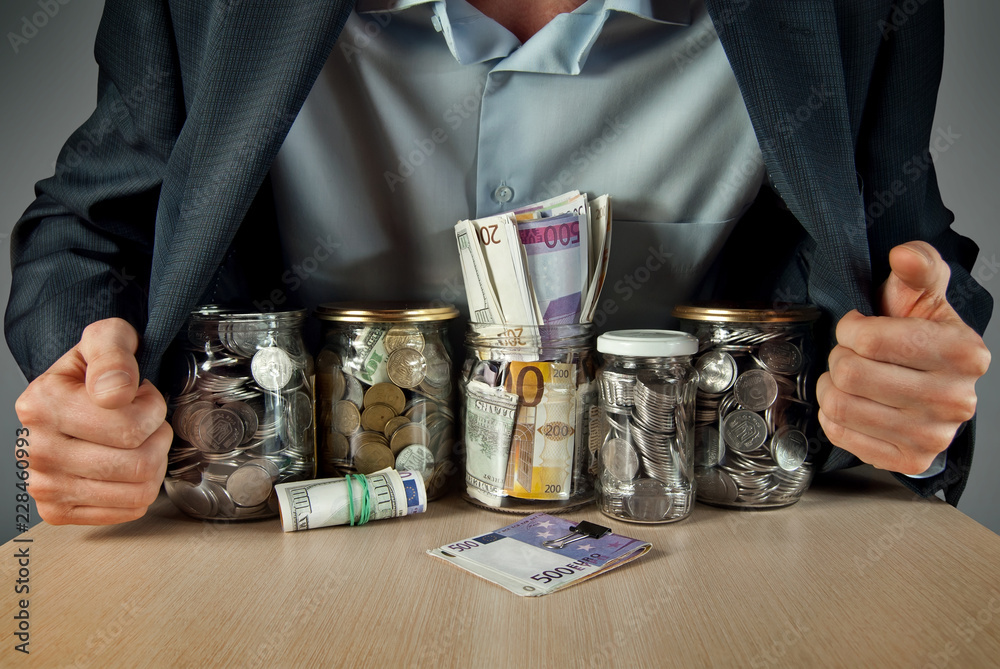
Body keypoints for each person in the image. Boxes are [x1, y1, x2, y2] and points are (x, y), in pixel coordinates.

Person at [7, 0, 990, 525]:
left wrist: (906, 397)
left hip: (698, 552)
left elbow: (905, 272)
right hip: (273, 548)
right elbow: (89, 235)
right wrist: (89, 388)